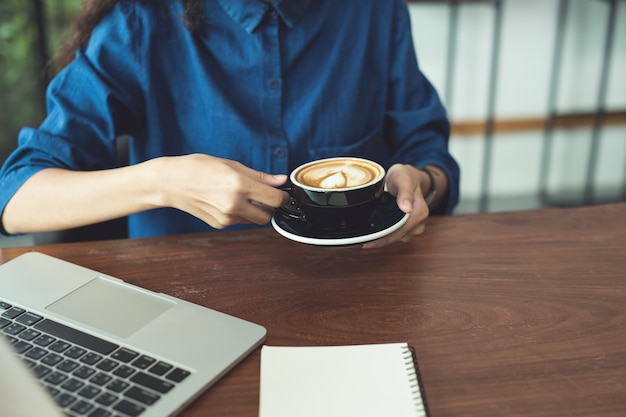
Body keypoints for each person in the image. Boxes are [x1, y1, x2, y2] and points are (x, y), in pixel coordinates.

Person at [0, 0, 459, 249]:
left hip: (359, 289)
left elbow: (429, 152)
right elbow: (16, 198)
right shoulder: (140, 20)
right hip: (190, 310)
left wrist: (422, 183)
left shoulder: (376, 12)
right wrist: (163, 181)